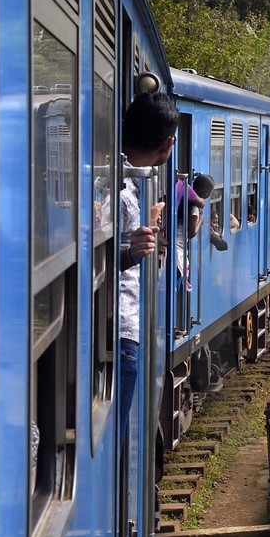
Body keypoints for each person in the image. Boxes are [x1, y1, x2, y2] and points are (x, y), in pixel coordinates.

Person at [118, 90, 179, 439]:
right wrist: (132, 253)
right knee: (119, 435)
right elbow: (94, 256)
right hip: (121, 330)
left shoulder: (126, 179)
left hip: (123, 329)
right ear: (167, 143)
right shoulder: (121, 190)